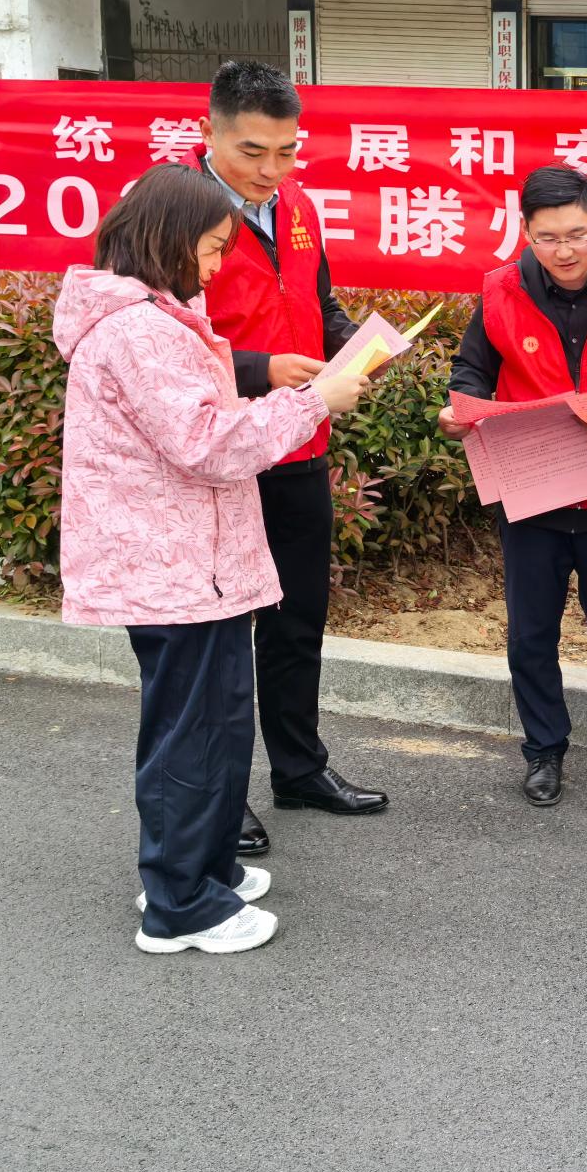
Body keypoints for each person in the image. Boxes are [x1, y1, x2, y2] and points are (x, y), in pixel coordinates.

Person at [55, 164, 371, 953]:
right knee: (193, 734)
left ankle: (203, 866)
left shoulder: (157, 316)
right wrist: (312, 403)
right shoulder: (139, 330)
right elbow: (204, 443)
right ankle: (180, 905)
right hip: (174, 567)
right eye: (211, 247)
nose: (217, 265)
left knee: (212, 725)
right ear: (167, 238)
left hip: (197, 564)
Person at [194, 60, 387, 856]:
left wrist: (358, 349)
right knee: (217, 638)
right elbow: (156, 340)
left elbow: (316, 305)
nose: (271, 170)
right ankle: (218, 795)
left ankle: (300, 770)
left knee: (296, 619)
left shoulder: (298, 205)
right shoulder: (175, 211)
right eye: (252, 152)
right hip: (220, 455)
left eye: (286, 151)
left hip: (300, 444)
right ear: (208, 133)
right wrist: (260, 369)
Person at [439, 165, 587, 806]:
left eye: (576, 234)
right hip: (531, 494)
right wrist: (460, 408)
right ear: (525, 231)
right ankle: (544, 749)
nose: (564, 251)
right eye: (547, 238)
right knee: (531, 634)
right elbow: (471, 371)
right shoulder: (500, 289)